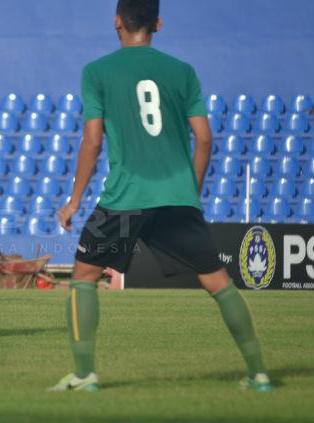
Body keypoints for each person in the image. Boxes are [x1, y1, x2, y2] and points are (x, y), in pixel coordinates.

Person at [50, 0, 270, 392]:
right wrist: (191, 192)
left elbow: (93, 140)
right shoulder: (182, 71)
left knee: (83, 275)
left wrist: (74, 199)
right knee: (218, 281)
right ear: (159, 24)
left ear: (117, 21)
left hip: (125, 195)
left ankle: (84, 376)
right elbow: (204, 138)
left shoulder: (97, 71)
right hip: (176, 195)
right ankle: (259, 373)